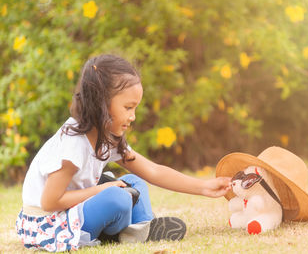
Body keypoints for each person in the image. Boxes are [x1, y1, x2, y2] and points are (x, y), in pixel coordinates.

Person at [15, 54, 231, 252]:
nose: (133, 116)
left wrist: (203, 187)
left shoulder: (106, 137)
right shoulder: (72, 146)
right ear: (101, 103)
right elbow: (50, 202)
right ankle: (128, 231)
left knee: (134, 181)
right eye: (128, 108)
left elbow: (153, 171)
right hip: (51, 221)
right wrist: (102, 189)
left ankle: (142, 228)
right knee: (116, 198)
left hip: (75, 210)